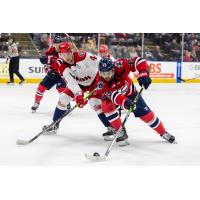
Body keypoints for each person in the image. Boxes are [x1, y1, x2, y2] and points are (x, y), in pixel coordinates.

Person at [44, 42, 127, 145]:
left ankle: (111, 127)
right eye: (64, 55)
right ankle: (54, 124)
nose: (67, 57)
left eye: (68, 54)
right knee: (63, 98)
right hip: (79, 85)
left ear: (71, 51)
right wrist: (79, 95)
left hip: (95, 82)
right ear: (60, 55)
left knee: (95, 103)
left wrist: (116, 69)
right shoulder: (61, 67)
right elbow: (72, 83)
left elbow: (101, 62)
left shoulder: (83, 56)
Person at [95, 57, 176, 143]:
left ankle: (163, 132)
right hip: (115, 99)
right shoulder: (100, 83)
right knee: (106, 106)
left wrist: (143, 73)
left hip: (131, 94)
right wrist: (126, 103)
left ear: (113, 70)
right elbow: (114, 96)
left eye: (108, 73)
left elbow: (139, 60)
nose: (106, 76)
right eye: (103, 73)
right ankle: (120, 131)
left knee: (147, 115)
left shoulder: (120, 65)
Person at [31, 35, 70, 112]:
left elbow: (63, 61)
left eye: (59, 43)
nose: (57, 45)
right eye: (56, 43)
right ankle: (36, 103)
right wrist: (47, 68)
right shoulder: (50, 51)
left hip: (61, 75)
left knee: (62, 90)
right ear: (53, 43)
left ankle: (67, 103)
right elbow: (46, 64)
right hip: (52, 74)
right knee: (40, 88)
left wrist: (50, 60)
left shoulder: (64, 50)